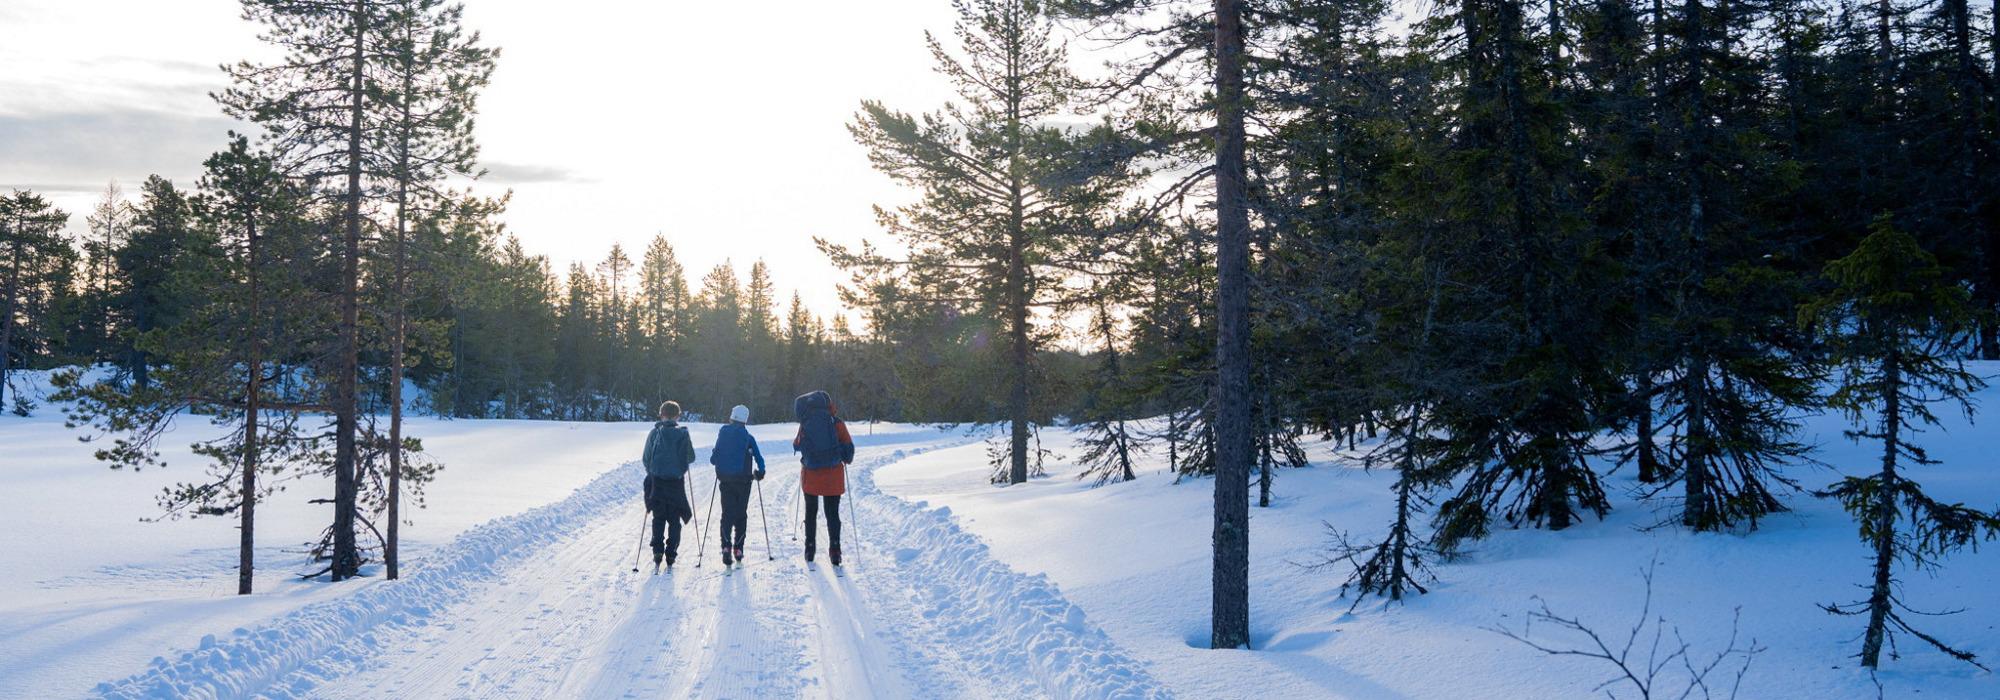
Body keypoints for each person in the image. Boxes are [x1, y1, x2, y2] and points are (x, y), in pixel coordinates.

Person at [793, 391, 855, 566]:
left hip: (811, 476)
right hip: (833, 477)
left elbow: (797, 444)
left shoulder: (806, 423)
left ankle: (810, 549)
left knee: (811, 512)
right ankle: (835, 550)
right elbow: (849, 451)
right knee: (832, 514)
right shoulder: (836, 423)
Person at [709, 404, 767, 567]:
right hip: (744, 482)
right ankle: (738, 549)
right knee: (741, 514)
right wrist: (760, 472)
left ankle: (726, 547)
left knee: (727, 514)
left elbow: (713, 460)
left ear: (732, 418)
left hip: (725, 480)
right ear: (745, 421)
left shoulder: (723, 434)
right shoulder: (748, 438)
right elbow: (759, 458)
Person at [642, 401, 696, 569]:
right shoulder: (683, 434)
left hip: (657, 482)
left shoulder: (655, 433)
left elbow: (646, 458)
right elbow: (691, 457)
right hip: (676, 483)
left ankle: (657, 551)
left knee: (658, 518)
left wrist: (652, 472)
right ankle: (671, 552)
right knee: (674, 520)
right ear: (678, 416)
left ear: (661, 415)